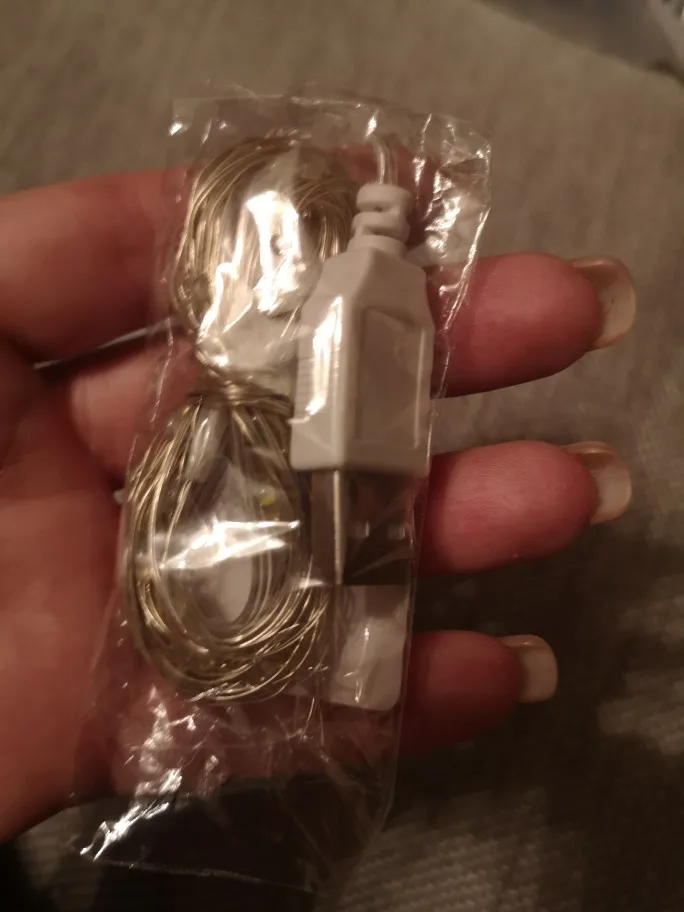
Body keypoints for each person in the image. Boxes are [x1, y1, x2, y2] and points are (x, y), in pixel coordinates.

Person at [0, 172, 634, 842]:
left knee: (367, 571)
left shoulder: (370, 300)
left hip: (371, 459)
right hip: (351, 454)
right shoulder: (345, 303)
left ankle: (326, 640)